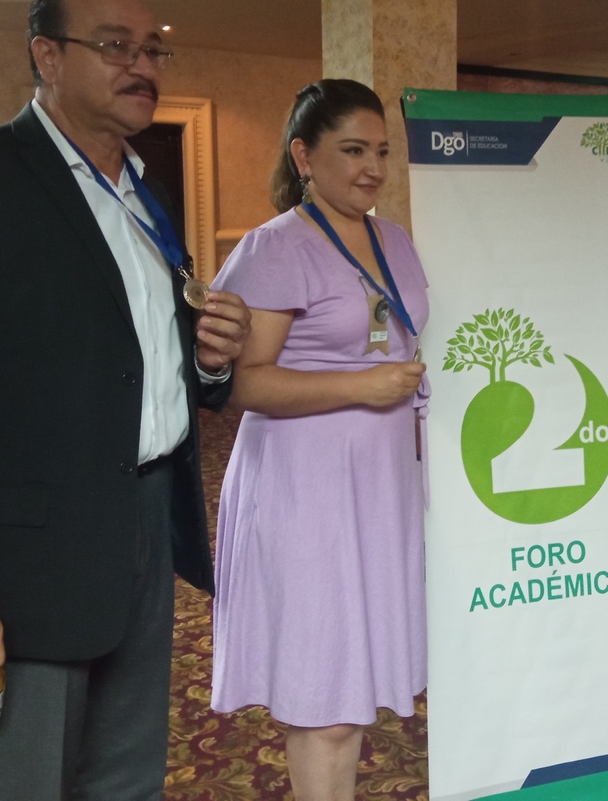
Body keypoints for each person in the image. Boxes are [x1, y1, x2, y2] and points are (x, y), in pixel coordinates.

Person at [0, 0, 250, 801]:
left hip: (147, 522)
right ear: (47, 55)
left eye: (152, 49)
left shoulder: (145, 196)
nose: (142, 65)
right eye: (115, 46)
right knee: (29, 784)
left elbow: (133, 362)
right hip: (27, 560)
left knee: (128, 777)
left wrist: (209, 362)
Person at [210, 79, 428, 801]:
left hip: (381, 483)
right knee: (325, 703)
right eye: (354, 150)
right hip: (304, 487)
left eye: (382, 152)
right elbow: (241, 385)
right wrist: (362, 388)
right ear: (304, 156)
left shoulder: (393, 239)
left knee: (353, 692)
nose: (373, 169)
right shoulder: (275, 248)